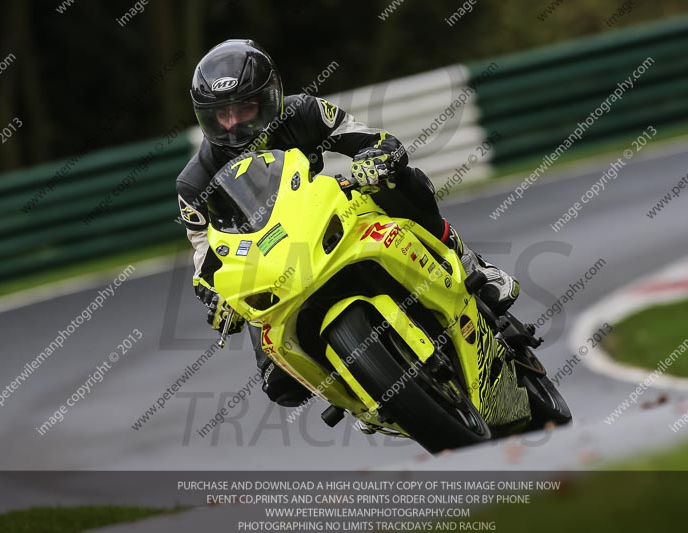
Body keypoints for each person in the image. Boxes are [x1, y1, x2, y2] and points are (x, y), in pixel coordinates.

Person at [176, 39, 519, 408]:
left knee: (404, 182)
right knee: (281, 385)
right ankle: (359, 387)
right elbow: (204, 256)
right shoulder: (193, 182)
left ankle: (469, 262)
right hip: (267, 261)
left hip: (322, 212)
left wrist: (377, 157)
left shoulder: (305, 113)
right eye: (219, 116)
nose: (232, 125)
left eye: (244, 109)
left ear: (271, 96)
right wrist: (214, 294)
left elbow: (374, 139)